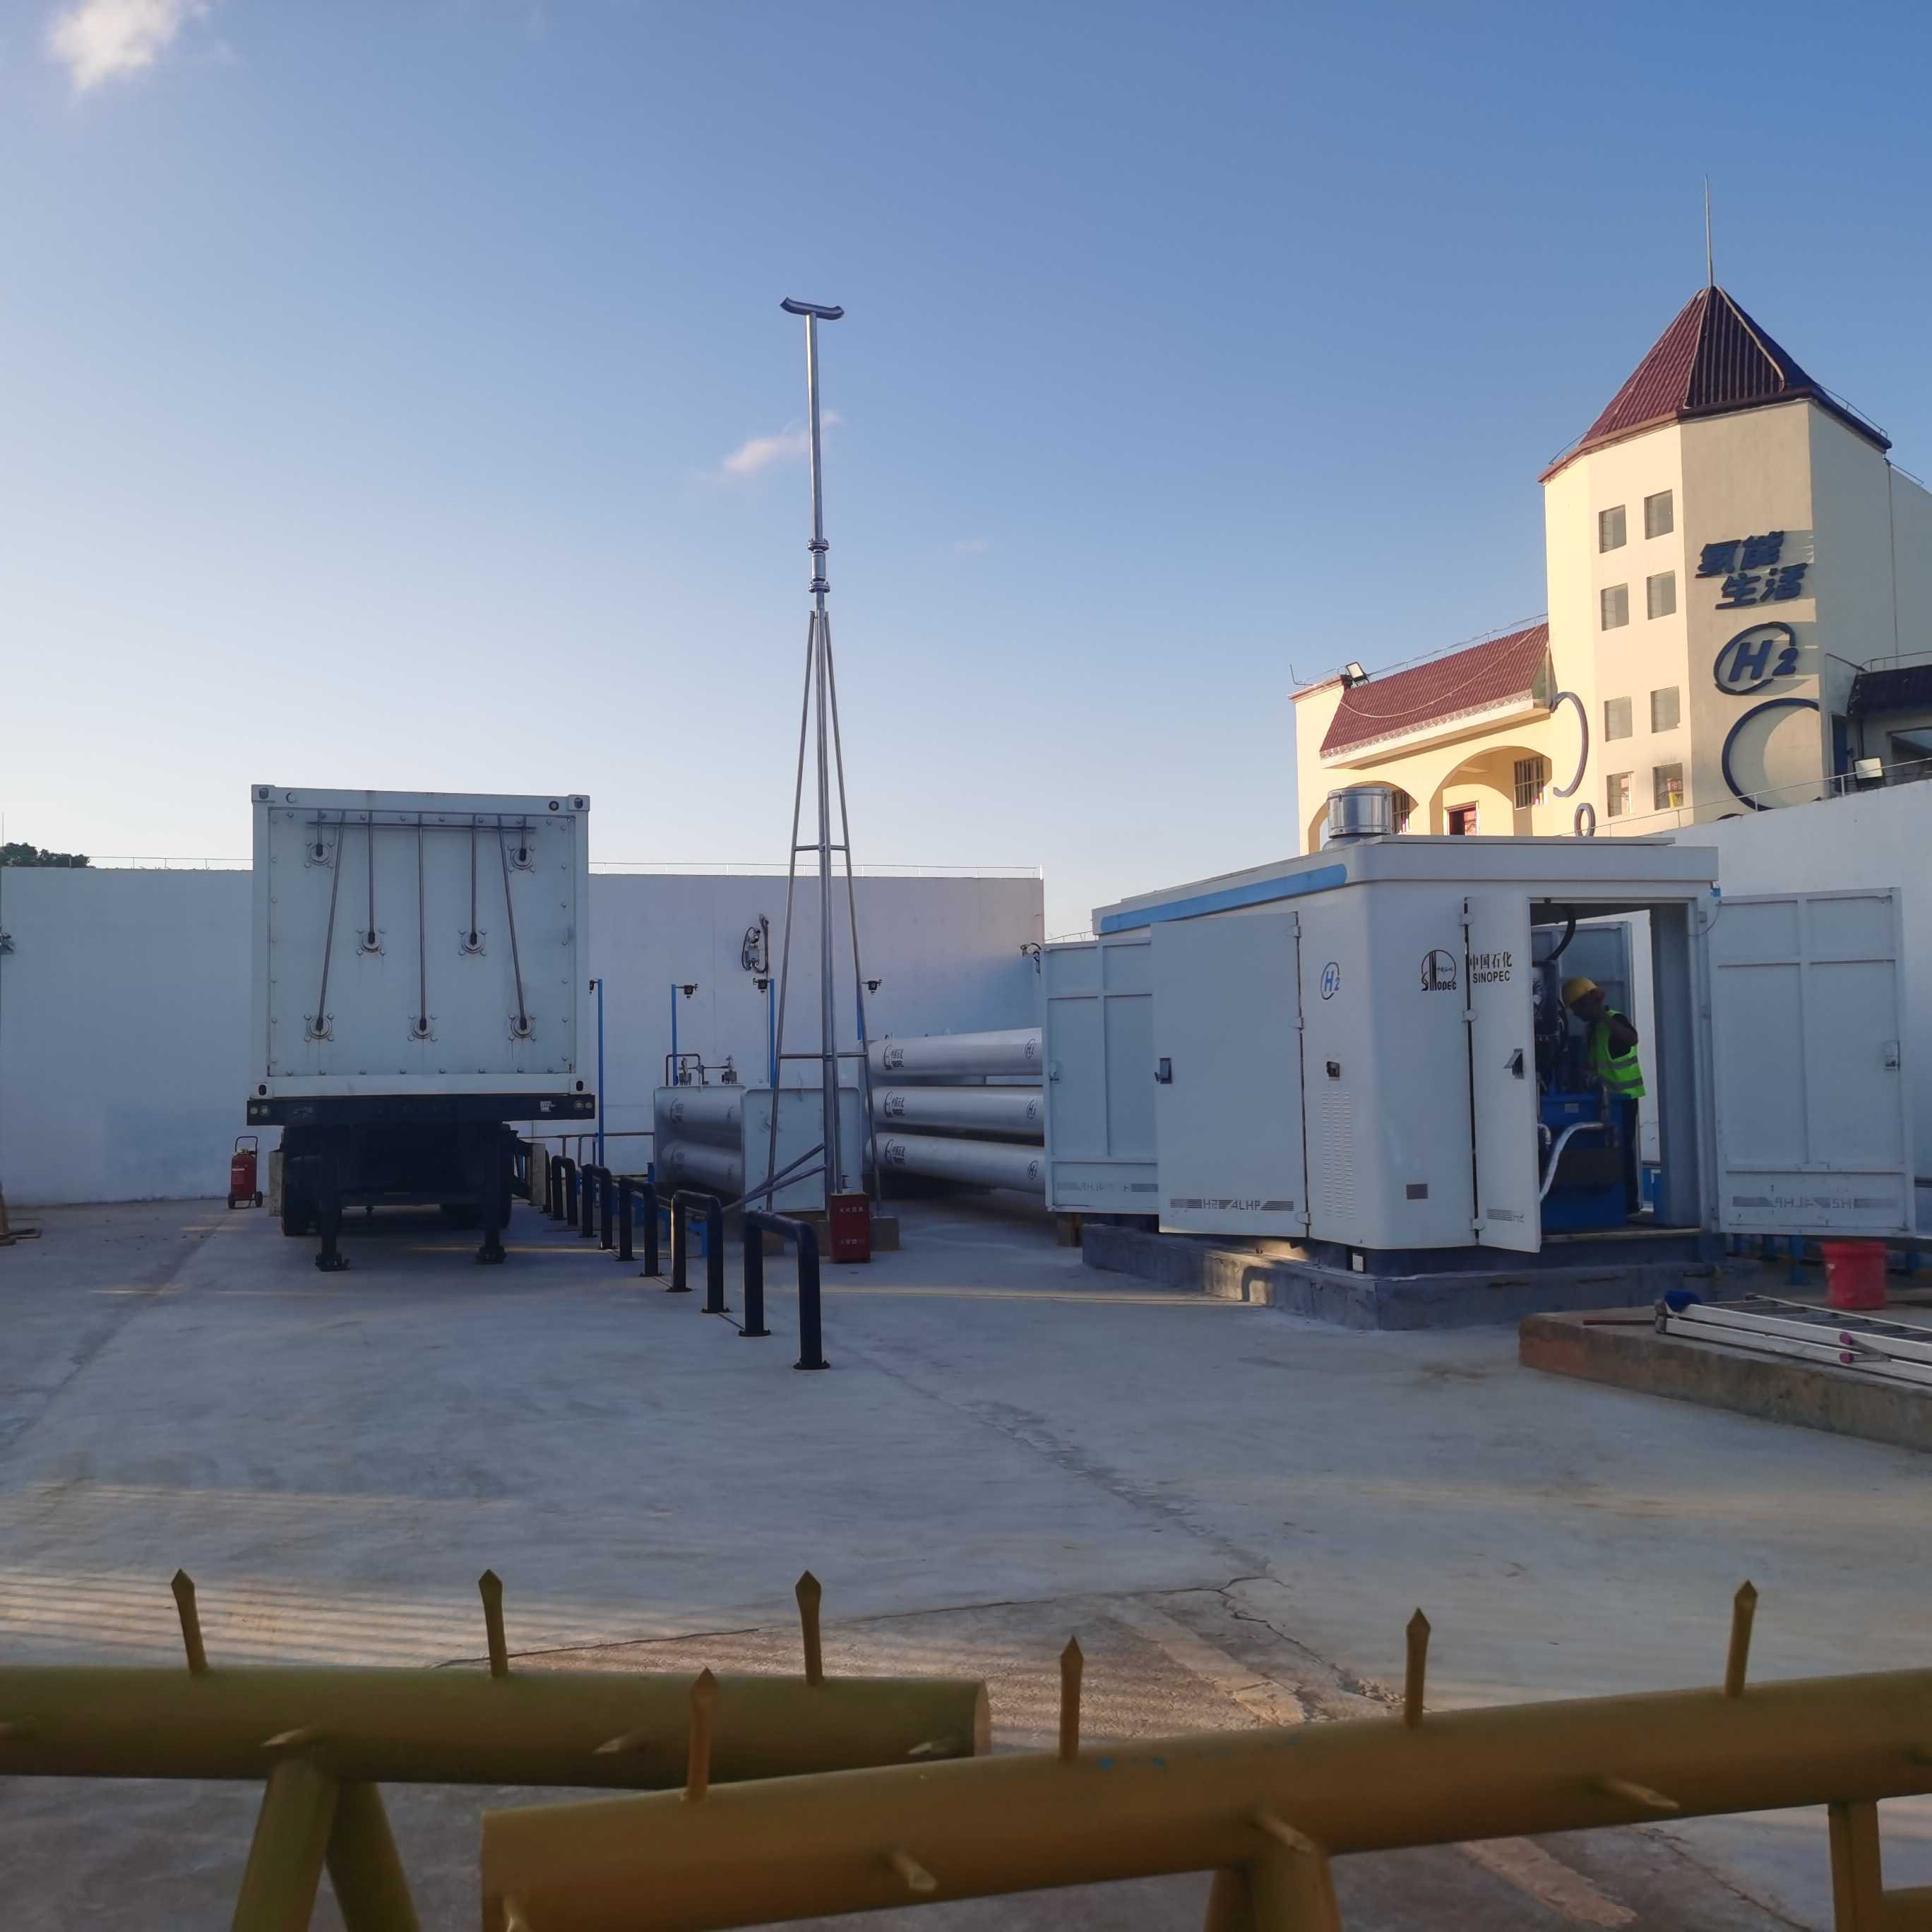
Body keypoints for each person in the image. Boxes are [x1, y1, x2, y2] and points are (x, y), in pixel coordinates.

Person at [1562, 977, 1645, 1216]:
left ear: (1589, 1002)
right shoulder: (1592, 1029)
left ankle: (1629, 1203)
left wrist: (1603, 1016)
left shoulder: (1614, 1020)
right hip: (1604, 1100)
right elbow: (1599, 1062)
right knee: (1608, 1147)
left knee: (1622, 1148)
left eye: (1577, 1008)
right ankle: (1612, 1201)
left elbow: (1632, 1039)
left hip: (1623, 1097)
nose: (1576, 1014)